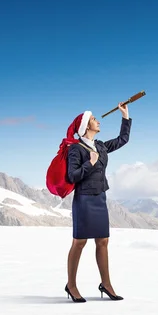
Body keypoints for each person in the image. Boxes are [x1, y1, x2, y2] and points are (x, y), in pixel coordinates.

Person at [63, 102, 132, 302]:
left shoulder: (101, 146)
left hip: (100, 197)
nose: (98, 121)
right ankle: (72, 285)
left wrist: (125, 117)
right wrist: (90, 163)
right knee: (79, 242)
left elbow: (122, 140)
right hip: (84, 199)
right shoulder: (76, 149)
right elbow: (73, 176)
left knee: (103, 241)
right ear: (85, 126)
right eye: (94, 119)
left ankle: (106, 284)